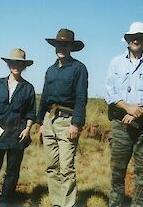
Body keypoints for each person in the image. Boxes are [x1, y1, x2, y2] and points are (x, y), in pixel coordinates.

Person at [105, 21, 143, 207]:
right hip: (121, 125)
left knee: (142, 174)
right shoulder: (115, 63)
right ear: (127, 40)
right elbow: (110, 92)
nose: (136, 40)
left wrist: (137, 113)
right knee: (117, 172)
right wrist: (128, 109)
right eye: (133, 36)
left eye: (140, 36)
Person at [37, 28, 88, 207]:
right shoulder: (50, 70)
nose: (61, 47)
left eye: (65, 44)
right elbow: (44, 97)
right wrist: (40, 123)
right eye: (59, 44)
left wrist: (76, 123)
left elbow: (81, 98)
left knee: (66, 168)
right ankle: (56, 202)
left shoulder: (78, 68)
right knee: (52, 166)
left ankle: (68, 204)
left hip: (67, 121)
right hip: (49, 121)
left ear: (71, 47)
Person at [0, 48, 36, 206]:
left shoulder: (28, 88)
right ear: (8, 64)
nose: (15, 66)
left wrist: (27, 128)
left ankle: (6, 200)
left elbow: (31, 112)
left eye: (19, 63)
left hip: (17, 133)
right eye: (13, 62)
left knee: (12, 171)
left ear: (24, 66)